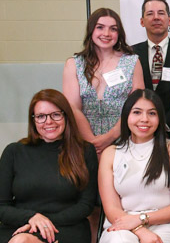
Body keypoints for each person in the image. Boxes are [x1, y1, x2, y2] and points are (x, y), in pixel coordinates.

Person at [0, 89, 98, 243]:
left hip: (66, 227)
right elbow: (2, 206)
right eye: (41, 116)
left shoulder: (84, 151)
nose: (48, 121)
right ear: (33, 120)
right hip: (20, 225)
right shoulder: (14, 152)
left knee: (22, 241)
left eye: (56, 115)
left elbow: (86, 205)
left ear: (66, 116)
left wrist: (44, 223)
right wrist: (31, 218)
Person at [98, 89, 170, 242]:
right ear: (126, 116)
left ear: (160, 118)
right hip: (122, 224)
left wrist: (141, 219)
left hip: (166, 225)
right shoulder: (111, 153)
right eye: (137, 112)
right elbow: (111, 208)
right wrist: (139, 229)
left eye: (152, 113)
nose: (144, 119)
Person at [63, 8, 145, 154]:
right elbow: (73, 107)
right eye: (100, 27)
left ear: (119, 33)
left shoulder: (132, 62)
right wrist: (91, 142)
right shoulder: (74, 64)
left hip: (124, 137)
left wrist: (111, 136)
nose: (106, 34)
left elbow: (137, 105)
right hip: (84, 140)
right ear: (91, 30)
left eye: (113, 29)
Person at [132, 0, 170, 138]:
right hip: (140, 130)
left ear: (169, 20)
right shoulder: (129, 55)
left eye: (161, 13)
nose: (156, 18)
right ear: (142, 21)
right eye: (150, 14)